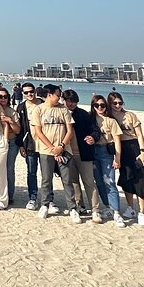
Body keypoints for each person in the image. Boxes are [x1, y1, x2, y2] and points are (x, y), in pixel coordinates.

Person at [31, 84, 81, 224]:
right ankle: (45, 205)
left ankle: (72, 208)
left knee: (67, 180)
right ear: (49, 95)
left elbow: (69, 130)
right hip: (46, 151)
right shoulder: (38, 110)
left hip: (64, 150)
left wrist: (61, 146)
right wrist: (53, 148)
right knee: (46, 179)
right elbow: (38, 132)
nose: (60, 98)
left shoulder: (63, 109)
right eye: (58, 95)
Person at [109, 92, 144, 226]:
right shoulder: (110, 117)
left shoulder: (130, 115)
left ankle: (142, 213)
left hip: (134, 148)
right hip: (121, 149)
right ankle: (130, 208)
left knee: (141, 180)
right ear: (110, 104)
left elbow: (139, 134)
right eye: (114, 103)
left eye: (120, 103)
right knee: (126, 179)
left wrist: (143, 151)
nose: (118, 105)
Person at [62, 90, 102, 224]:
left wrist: (93, 138)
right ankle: (80, 206)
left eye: (75, 101)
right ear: (64, 100)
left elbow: (95, 130)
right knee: (73, 182)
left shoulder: (84, 114)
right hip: (67, 153)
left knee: (89, 182)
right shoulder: (60, 113)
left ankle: (95, 210)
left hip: (84, 153)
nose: (72, 103)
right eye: (69, 101)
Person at [16, 82, 54, 211]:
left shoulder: (44, 104)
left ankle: (50, 199)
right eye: (26, 92)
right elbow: (20, 128)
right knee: (31, 172)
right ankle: (33, 198)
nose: (29, 94)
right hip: (30, 144)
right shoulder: (21, 108)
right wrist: (21, 145)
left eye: (31, 91)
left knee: (47, 173)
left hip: (45, 144)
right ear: (22, 93)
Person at [91, 94, 125, 227]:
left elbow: (117, 141)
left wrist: (117, 158)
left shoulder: (111, 121)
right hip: (93, 152)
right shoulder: (91, 119)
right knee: (99, 181)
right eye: (97, 105)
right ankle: (108, 207)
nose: (100, 108)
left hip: (106, 152)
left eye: (102, 105)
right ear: (93, 106)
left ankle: (116, 211)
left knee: (109, 182)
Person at [0, 88, 21, 204]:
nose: (3, 99)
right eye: (0, 96)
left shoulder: (12, 112)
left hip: (11, 142)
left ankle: (9, 195)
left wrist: (10, 121)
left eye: (5, 96)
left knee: (9, 169)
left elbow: (18, 130)